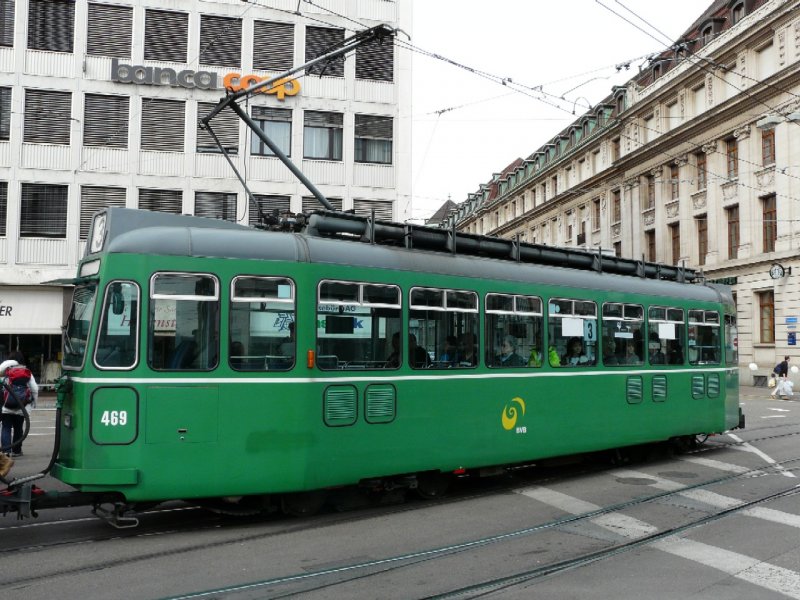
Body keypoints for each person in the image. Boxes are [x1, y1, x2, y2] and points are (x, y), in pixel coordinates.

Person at [0, 351, 38, 458]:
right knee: (18, 428)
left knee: (6, 427)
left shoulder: (5, 372)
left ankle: (6, 451)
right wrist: (34, 402)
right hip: (22, 406)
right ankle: (17, 451)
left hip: (7, 406)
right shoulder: (26, 372)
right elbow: (35, 388)